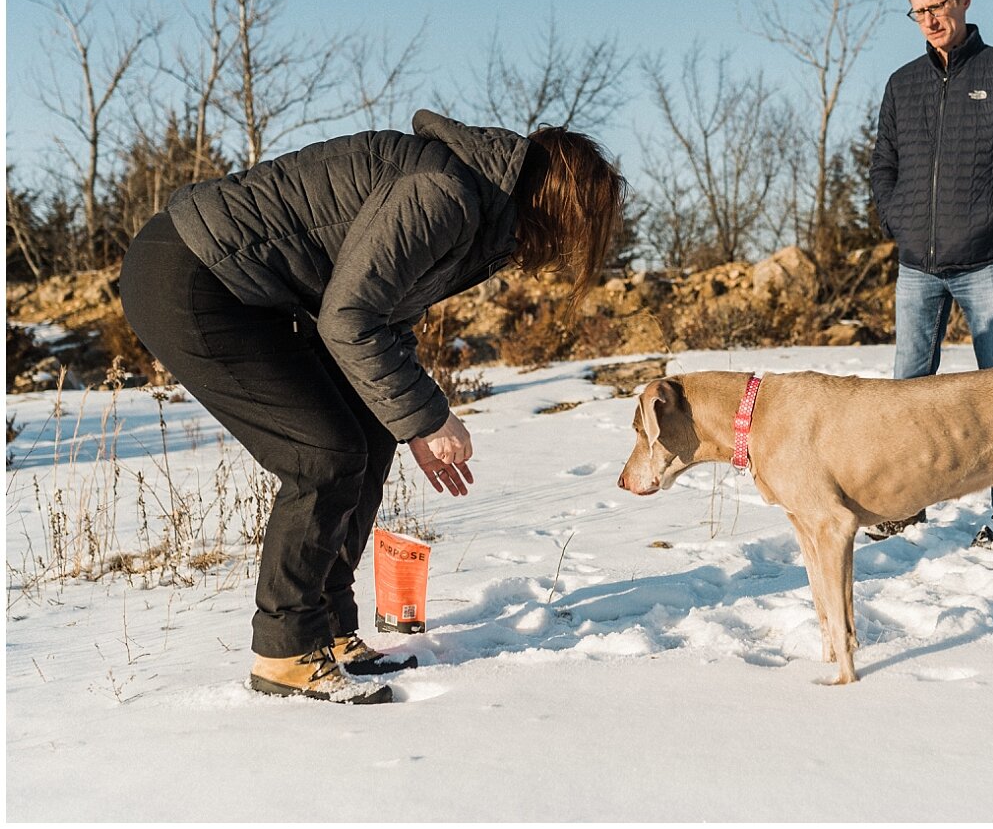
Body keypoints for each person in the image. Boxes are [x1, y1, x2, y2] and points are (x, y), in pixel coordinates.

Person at [120, 110, 624, 703]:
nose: (571, 248)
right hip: (194, 273)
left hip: (251, 288)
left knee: (370, 430)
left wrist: (410, 419)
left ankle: (328, 631)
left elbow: (386, 316)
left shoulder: (477, 209)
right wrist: (431, 419)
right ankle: (284, 654)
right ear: (558, 205)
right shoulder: (444, 195)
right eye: (581, 227)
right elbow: (350, 319)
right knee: (323, 455)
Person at [868, 0, 993, 545]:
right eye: (917, 11)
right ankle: (903, 503)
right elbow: (883, 167)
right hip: (918, 267)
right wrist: (899, 220)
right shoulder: (903, 84)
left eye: (937, 6)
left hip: (988, 262)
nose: (928, 20)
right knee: (908, 391)